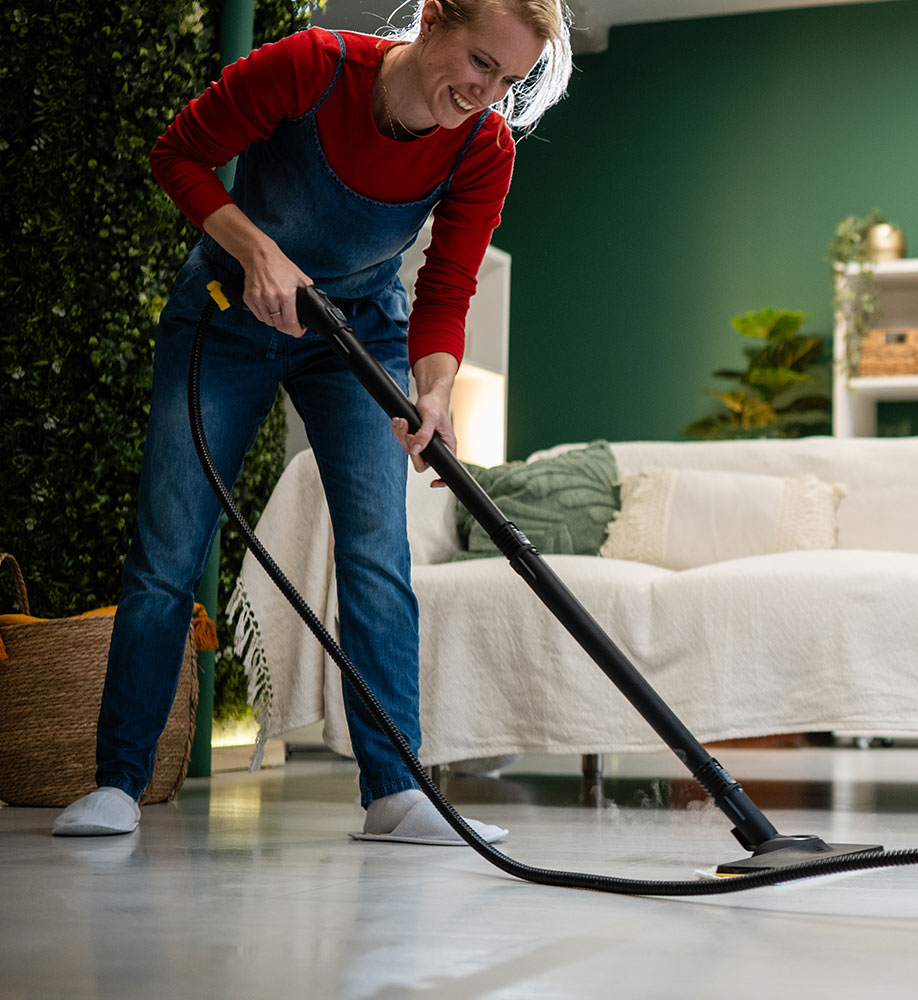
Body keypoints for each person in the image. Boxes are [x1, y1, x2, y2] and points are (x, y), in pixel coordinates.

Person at [52, 0, 571, 843]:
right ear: (432, 19)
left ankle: (397, 791)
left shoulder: (483, 146)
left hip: (357, 331)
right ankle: (119, 782)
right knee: (168, 550)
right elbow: (177, 153)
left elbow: (447, 285)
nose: (488, 94)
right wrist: (256, 248)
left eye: (509, 80)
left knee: (376, 552)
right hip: (226, 313)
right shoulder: (311, 67)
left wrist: (433, 391)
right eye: (481, 62)